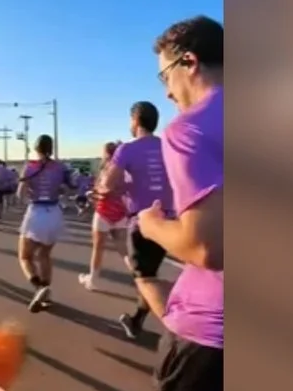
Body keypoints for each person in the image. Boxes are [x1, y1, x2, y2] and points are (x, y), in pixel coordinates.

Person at [136, 16, 224, 391]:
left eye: (164, 75)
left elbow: (207, 248)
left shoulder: (190, 128)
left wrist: (152, 225)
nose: (167, 92)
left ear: (189, 62)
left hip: (213, 330)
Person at [98, 101, 175, 340]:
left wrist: (107, 189)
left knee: (145, 280)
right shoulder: (169, 146)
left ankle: (180, 332)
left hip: (142, 223)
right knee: (148, 274)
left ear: (135, 120)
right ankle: (136, 321)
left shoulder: (127, 149)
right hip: (168, 220)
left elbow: (107, 184)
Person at [17, 135, 77, 313]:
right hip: (54, 213)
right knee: (44, 254)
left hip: (36, 212)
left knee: (25, 256)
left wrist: (28, 197)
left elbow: (20, 193)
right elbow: (71, 187)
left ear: (36, 148)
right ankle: (46, 293)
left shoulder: (30, 167)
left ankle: (39, 288)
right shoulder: (60, 167)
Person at [79, 142, 132, 292]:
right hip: (120, 212)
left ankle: (92, 280)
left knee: (98, 248)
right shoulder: (125, 170)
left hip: (104, 212)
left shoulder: (107, 169)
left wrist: (92, 194)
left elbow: (104, 191)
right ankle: (139, 276)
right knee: (123, 250)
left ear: (107, 153)